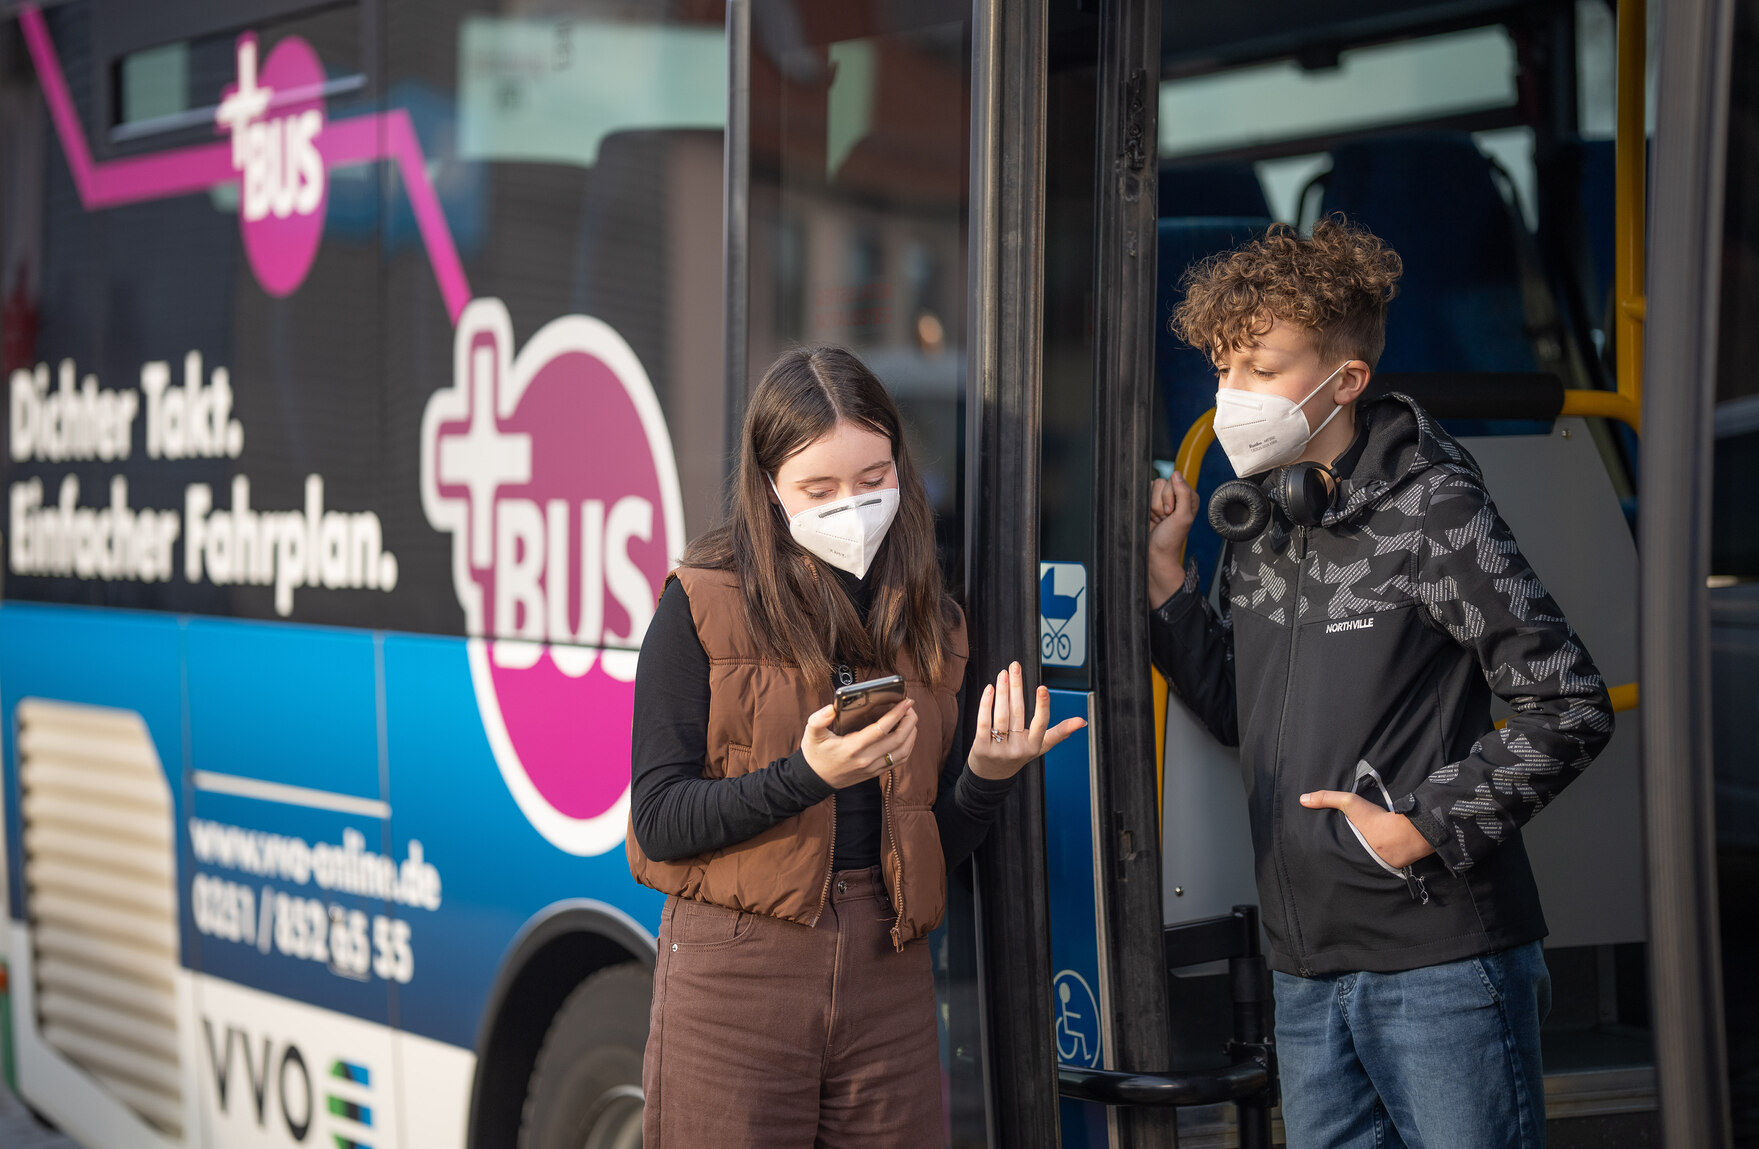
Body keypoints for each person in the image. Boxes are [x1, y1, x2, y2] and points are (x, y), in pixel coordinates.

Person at [1146, 219, 1614, 1149]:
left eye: (1261, 370)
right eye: (1222, 369)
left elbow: (1566, 701)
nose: (1231, 397)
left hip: (1436, 963)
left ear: (1344, 380)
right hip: (1302, 965)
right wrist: (1168, 583)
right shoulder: (1264, 521)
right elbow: (1246, 711)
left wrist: (1422, 828)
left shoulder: (1432, 506)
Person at [627, 345, 1085, 1147]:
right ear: (769, 490)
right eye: (818, 487)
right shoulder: (699, 602)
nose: (852, 503)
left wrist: (985, 775)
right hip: (737, 971)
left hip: (889, 967)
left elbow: (928, 842)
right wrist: (806, 776)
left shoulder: (931, 620)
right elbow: (659, 819)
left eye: (873, 478)